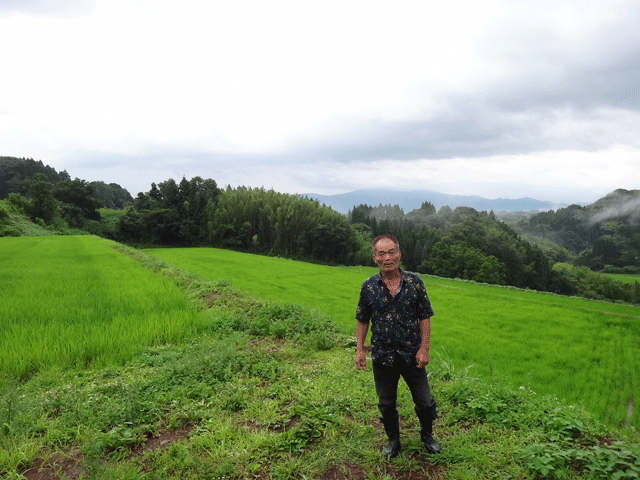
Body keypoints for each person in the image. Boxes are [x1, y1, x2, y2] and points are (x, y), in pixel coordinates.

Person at [355, 234, 441, 458]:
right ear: (374, 258)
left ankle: (427, 436)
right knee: (386, 403)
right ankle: (393, 440)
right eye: (381, 254)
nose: (387, 258)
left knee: (424, 400)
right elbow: (363, 319)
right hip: (383, 356)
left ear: (399, 255)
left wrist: (424, 348)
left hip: (412, 354)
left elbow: (424, 317)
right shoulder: (368, 287)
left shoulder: (415, 283)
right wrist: (359, 350)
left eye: (391, 252)